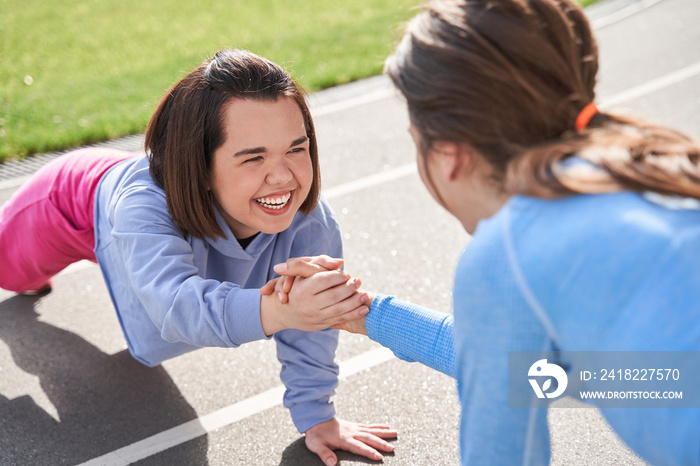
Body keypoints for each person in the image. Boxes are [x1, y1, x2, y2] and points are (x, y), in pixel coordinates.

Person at [264, 0, 700, 464]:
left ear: (448, 155)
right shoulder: (665, 172)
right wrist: (367, 315)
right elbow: (555, 371)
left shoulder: (511, 248)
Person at [0, 49, 397, 465]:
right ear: (200, 166)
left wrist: (318, 416)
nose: (284, 176)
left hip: (142, 239)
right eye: (254, 157)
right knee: (11, 276)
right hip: (70, 205)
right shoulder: (142, 205)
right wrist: (281, 312)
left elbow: (312, 320)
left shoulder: (310, 222)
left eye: (296, 150)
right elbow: (175, 306)